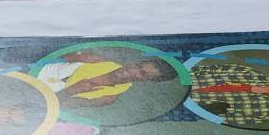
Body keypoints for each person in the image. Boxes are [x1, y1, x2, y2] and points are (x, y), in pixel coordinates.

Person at [37, 51, 179, 109]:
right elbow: (47, 56)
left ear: (147, 81)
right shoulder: (98, 59)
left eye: (141, 73)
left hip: (34, 93)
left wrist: (71, 91)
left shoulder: (108, 98)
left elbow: (47, 107)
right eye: (138, 65)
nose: (131, 70)